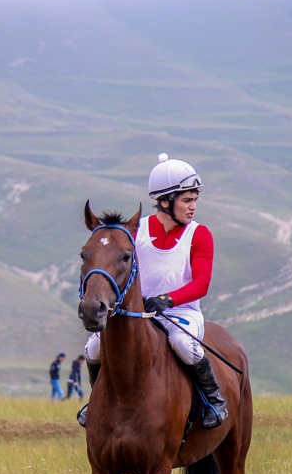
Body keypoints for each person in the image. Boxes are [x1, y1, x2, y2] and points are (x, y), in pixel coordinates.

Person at [79, 153, 229, 429]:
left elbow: (201, 284)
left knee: (185, 346)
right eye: (187, 200)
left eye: (194, 200)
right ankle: (97, 400)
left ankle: (213, 399)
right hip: (136, 313)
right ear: (164, 202)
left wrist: (167, 299)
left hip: (180, 312)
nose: (193, 206)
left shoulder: (199, 234)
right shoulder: (136, 231)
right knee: (94, 347)